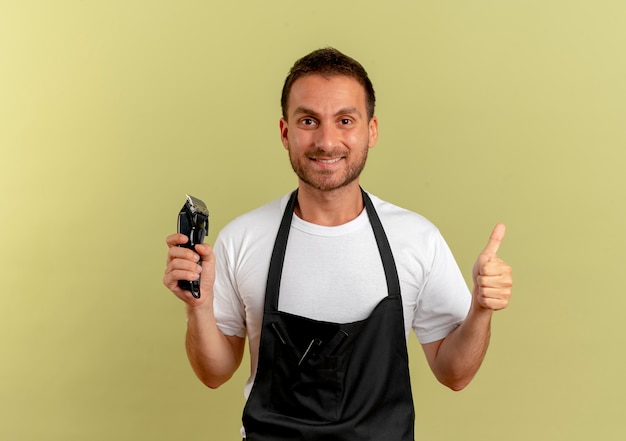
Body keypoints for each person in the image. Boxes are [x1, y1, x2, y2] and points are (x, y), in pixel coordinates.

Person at [163, 47, 513, 441]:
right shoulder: (243, 239)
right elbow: (214, 373)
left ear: (372, 130)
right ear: (285, 132)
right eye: (309, 120)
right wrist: (199, 308)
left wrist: (481, 310)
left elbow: (455, 374)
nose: (327, 141)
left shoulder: (417, 239)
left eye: (345, 120)